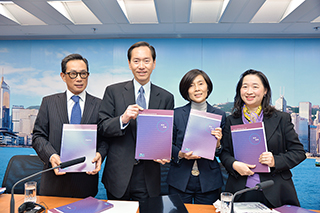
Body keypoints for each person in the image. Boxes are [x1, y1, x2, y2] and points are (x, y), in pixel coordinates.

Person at [98, 41, 174, 201]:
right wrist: (122, 119)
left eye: (146, 61)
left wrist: (163, 152)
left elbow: (166, 134)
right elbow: (102, 127)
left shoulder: (166, 97)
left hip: (149, 175)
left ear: (154, 64)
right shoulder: (113, 92)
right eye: (136, 61)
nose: (141, 66)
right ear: (129, 64)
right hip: (118, 174)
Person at [219, 69, 306, 208]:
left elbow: (299, 152)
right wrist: (234, 164)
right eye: (245, 86)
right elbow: (224, 153)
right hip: (240, 190)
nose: (249, 91)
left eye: (255, 86)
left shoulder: (281, 119)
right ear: (239, 90)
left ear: (265, 90)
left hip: (276, 189)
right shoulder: (231, 120)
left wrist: (275, 161)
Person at [32, 53, 105, 198]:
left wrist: (100, 154)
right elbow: (38, 136)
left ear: (88, 76)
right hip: (54, 181)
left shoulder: (99, 105)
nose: (79, 78)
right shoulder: (49, 102)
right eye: (73, 74)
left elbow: (105, 138)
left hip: (86, 182)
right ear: (63, 76)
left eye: (83, 74)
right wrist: (51, 155)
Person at [166, 69, 226, 204]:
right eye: (191, 85)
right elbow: (168, 144)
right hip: (179, 179)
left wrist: (217, 144)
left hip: (209, 180)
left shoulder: (219, 115)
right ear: (186, 90)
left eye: (200, 84)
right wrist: (181, 154)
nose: (197, 89)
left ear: (208, 87)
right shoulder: (176, 114)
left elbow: (222, 150)